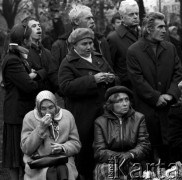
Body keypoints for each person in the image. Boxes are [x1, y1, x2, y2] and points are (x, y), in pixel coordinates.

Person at [58, 28, 117, 180]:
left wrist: (111, 79)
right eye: (84, 44)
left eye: (91, 43)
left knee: (105, 147)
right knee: (86, 152)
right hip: (83, 115)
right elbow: (65, 87)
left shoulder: (98, 58)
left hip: (104, 112)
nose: (89, 46)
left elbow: (115, 77)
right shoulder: (68, 63)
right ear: (74, 46)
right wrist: (93, 80)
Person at [127, 12, 182, 165]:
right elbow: (137, 80)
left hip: (169, 109)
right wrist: (156, 97)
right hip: (147, 110)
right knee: (148, 153)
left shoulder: (170, 48)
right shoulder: (134, 51)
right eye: (160, 27)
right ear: (148, 29)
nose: (165, 30)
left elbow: (178, 73)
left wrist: (171, 95)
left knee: (170, 153)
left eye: (165, 27)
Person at [1, 23, 44, 180]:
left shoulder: (18, 57)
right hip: (16, 115)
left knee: (21, 157)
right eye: (28, 37)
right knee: (15, 158)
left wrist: (32, 74)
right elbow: (28, 86)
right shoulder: (13, 60)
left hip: (21, 113)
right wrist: (35, 76)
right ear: (24, 40)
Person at [21, 90, 81, 180]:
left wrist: (63, 147)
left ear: (55, 104)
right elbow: (26, 149)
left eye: (51, 107)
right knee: (50, 173)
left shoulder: (67, 116)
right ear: (38, 107)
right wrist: (40, 128)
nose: (47, 112)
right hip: (39, 163)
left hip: (62, 160)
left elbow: (76, 143)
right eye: (43, 108)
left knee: (63, 171)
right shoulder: (29, 118)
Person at [93, 86, 151, 179]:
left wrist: (130, 155)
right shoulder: (100, 122)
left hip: (133, 159)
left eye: (126, 100)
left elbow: (144, 145)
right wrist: (120, 157)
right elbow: (100, 151)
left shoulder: (139, 118)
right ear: (110, 104)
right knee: (108, 172)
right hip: (110, 161)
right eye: (120, 101)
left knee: (135, 172)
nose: (125, 104)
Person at [51, 4, 112, 68]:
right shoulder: (60, 45)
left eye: (92, 18)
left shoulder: (101, 41)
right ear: (76, 21)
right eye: (88, 18)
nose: (92, 21)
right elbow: (54, 73)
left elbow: (109, 66)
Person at [107, 0, 140, 88]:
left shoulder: (144, 34)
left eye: (137, 13)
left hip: (145, 86)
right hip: (126, 88)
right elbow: (109, 66)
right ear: (122, 17)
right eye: (131, 14)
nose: (135, 17)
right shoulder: (113, 38)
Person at [22, 17, 59, 94]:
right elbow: (25, 77)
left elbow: (53, 72)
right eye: (34, 26)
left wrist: (37, 73)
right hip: (31, 97)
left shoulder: (47, 52)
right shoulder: (23, 52)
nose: (38, 28)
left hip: (48, 96)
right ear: (26, 31)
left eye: (39, 25)